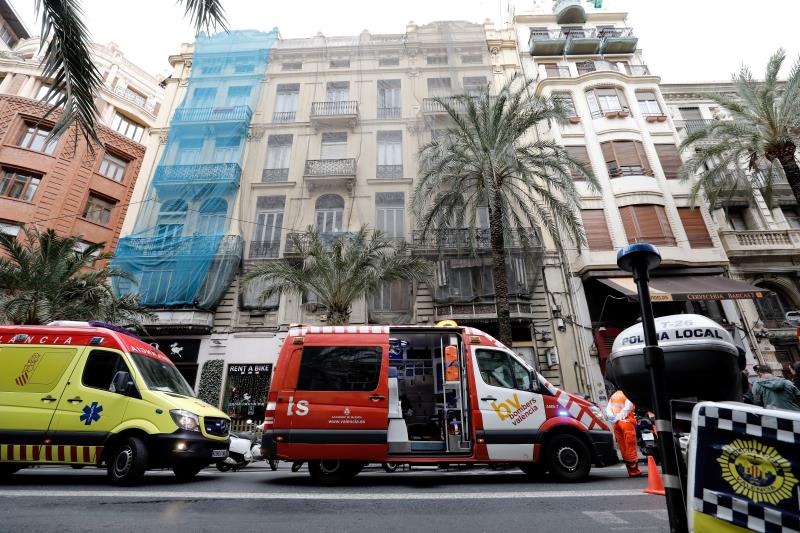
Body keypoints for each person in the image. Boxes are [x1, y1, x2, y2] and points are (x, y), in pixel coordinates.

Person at [605, 389, 642, 477]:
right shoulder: (628, 393)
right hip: (626, 422)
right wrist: (619, 417)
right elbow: (628, 408)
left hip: (616, 424)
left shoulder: (614, 395)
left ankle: (630, 470)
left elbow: (608, 409)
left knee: (623, 447)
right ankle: (634, 471)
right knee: (630, 446)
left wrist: (614, 418)